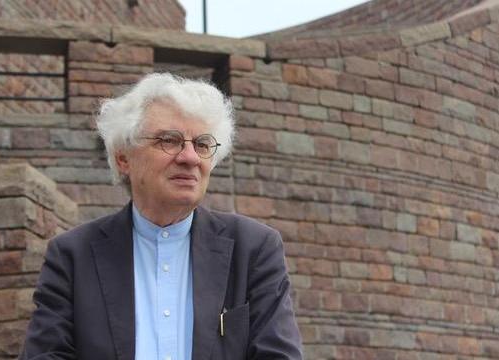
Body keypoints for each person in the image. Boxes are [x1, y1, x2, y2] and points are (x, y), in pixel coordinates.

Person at [19, 73, 303, 360]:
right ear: (123, 158)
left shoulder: (254, 249)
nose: (190, 157)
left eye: (202, 144)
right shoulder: (72, 256)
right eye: (170, 140)